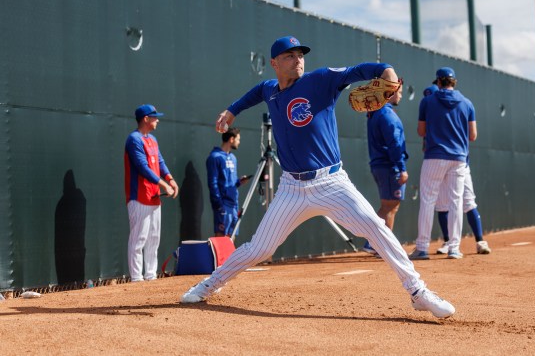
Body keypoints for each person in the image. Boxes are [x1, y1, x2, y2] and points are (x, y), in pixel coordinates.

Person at [180, 35, 455, 319]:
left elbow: (357, 71)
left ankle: (418, 292)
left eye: (300, 54)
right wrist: (232, 110)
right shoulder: (270, 90)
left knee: (376, 228)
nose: (298, 59)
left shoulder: (320, 80)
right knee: (258, 248)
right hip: (291, 188)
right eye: (289, 55)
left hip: (331, 182)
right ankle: (209, 284)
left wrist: (385, 70)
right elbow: (255, 93)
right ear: (274, 63)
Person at [409, 67, 476, 260]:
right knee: (456, 202)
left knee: (428, 201)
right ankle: (454, 248)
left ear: (438, 82)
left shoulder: (427, 101)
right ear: (454, 82)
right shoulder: (467, 103)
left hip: (434, 156)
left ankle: (422, 248)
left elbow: (421, 131)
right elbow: (473, 135)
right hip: (458, 158)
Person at [422, 83, 491, 255]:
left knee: (465, 202)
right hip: (458, 160)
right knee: (445, 203)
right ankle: (450, 243)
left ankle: (478, 240)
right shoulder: (460, 103)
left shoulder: (434, 104)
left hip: (451, 161)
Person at [124, 104, 179, 281]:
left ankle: (150, 275)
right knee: (139, 238)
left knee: (153, 238)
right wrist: (164, 185)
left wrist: (170, 179)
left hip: (154, 196)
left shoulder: (152, 139)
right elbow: (142, 167)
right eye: (154, 117)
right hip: (139, 196)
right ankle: (136, 278)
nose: (157, 120)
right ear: (145, 119)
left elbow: (160, 163)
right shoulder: (134, 139)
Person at [363, 84, 408, 255]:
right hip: (389, 166)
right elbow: (395, 144)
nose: (401, 96)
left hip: (381, 165)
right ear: (389, 93)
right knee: (389, 206)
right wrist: (401, 168)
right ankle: (376, 244)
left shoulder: (376, 113)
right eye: (399, 92)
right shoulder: (387, 114)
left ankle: (378, 244)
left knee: (389, 206)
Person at [435, 165, 491, 254]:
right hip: (442, 166)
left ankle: (480, 242)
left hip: (461, 164)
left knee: (469, 203)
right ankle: (448, 242)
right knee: (442, 205)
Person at [206, 127, 251, 237]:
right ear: (231, 139)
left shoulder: (233, 157)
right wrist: (219, 205)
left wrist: (239, 182)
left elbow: (232, 182)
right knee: (221, 238)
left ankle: (231, 255)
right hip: (223, 205)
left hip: (234, 204)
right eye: (238, 139)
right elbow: (213, 183)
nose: (239, 142)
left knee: (232, 237)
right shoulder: (214, 157)